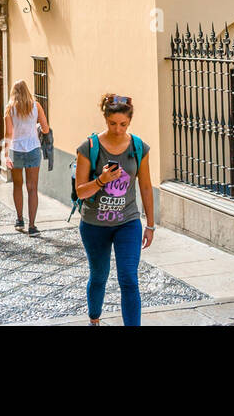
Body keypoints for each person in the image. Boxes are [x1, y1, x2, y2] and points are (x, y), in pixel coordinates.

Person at [73, 94, 155, 326]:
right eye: (112, 124)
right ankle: (94, 318)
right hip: (94, 225)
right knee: (99, 275)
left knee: (129, 278)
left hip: (127, 222)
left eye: (123, 124)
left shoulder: (139, 147)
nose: (117, 129)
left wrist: (150, 224)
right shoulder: (89, 147)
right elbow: (80, 191)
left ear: (129, 122)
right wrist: (101, 180)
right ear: (105, 119)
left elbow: (146, 187)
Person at [4, 79, 50, 235]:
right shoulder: (36, 106)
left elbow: (8, 133)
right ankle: (32, 226)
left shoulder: (10, 109)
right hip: (33, 149)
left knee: (17, 185)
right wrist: (35, 127)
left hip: (16, 150)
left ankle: (19, 220)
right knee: (32, 188)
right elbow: (46, 128)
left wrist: (5, 154)